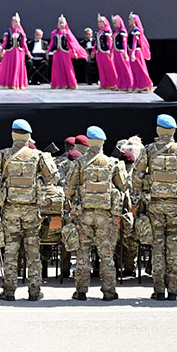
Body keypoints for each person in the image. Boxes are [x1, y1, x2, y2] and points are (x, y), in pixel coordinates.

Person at [0, 119, 58, 301]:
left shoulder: (2, 155)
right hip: (32, 210)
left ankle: (9, 291)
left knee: (11, 250)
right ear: (28, 136)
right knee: (33, 251)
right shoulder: (39, 156)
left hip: (10, 210)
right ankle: (34, 291)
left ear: (12, 135)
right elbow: (54, 177)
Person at [131, 114, 177, 301]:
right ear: (174, 131)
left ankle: (159, 290)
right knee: (173, 246)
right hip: (175, 206)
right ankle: (174, 290)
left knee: (158, 247)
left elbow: (135, 177)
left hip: (155, 205)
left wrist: (148, 186)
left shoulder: (149, 150)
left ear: (158, 130)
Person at [64, 126, 128, 301]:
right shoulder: (113, 163)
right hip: (105, 215)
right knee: (106, 254)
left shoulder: (79, 163)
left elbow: (68, 189)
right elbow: (123, 186)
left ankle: (81, 292)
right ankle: (109, 291)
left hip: (83, 214)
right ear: (102, 143)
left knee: (82, 253)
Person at [48, 16, 87, 89]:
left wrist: (74, 52)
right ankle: (59, 84)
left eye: (62, 23)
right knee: (57, 69)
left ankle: (70, 83)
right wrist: (48, 51)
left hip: (65, 53)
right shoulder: (54, 33)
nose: (61, 24)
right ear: (58, 24)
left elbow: (71, 43)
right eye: (60, 23)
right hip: (57, 53)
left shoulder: (66, 33)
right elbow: (52, 43)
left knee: (67, 68)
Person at [0, 14, 29, 89]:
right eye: (15, 21)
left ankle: (17, 83)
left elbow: (23, 44)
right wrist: (1, 51)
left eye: (17, 21)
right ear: (12, 22)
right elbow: (5, 43)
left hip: (19, 53)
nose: (16, 23)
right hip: (10, 53)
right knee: (10, 67)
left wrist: (28, 53)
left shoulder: (21, 33)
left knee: (17, 67)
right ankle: (10, 83)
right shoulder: (8, 32)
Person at [126, 13, 154, 92]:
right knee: (134, 70)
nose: (128, 21)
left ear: (134, 20)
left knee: (139, 69)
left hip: (136, 52)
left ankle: (143, 85)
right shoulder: (131, 30)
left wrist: (133, 53)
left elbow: (135, 42)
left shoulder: (136, 30)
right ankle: (136, 85)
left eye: (130, 20)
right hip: (132, 51)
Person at [94, 16, 119, 90]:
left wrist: (110, 51)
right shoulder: (98, 32)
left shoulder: (107, 31)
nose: (99, 23)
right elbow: (96, 42)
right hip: (99, 52)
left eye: (101, 22)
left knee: (109, 68)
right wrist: (93, 51)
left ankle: (113, 83)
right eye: (98, 22)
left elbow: (110, 42)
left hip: (105, 52)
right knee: (101, 68)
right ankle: (104, 83)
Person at [110, 15, 132, 90]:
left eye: (115, 22)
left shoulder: (123, 31)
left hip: (121, 52)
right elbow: (113, 43)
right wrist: (111, 51)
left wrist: (125, 53)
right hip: (116, 52)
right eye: (113, 23)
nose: (114, 24)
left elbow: (124, 43)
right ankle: (121, 84)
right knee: (118, 69)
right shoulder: (115, 32)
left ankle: (129, 84)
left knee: (125, 69)